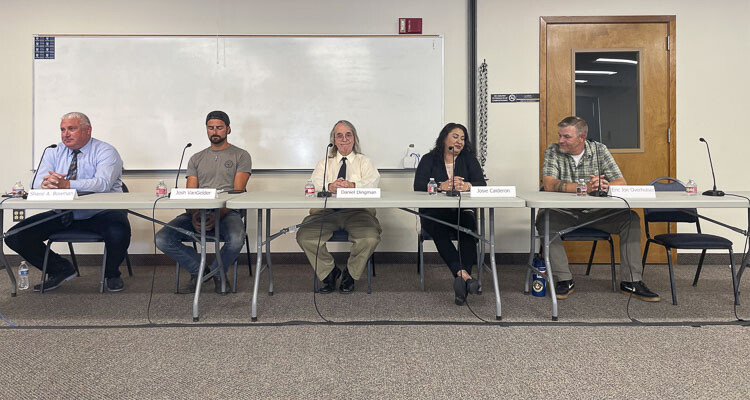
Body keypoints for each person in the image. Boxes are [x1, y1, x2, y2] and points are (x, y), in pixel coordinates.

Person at [5, 112, 131, 292]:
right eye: (63, 129)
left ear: (88, 130)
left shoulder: (106, 151)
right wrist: (46, 183)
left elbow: (103, 183)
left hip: (101, 213)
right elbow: (36, 184)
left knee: (119, 230)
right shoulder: (53, 151)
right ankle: (59, 269)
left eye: (72, 128)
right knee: (15, 236)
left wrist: (66, 184)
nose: (65, 134)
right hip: (65, 213)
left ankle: (111, 274)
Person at [539, 116, 660, 301]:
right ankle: (564, 279)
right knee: (543, 219)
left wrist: (605, 185)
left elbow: (621, 182)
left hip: (597, 213)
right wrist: (584, 187)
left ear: (582, 138)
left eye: (566, 137)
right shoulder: (553, 151)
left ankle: (631, 282)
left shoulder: (599, 150)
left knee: (631, 219)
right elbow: (549, 184)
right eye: (560, 135)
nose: (560, 140)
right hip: (565, 212)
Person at [155, 111, 251, 294]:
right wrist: (195, 215)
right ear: (206, 130)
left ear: (228, 129)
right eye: (211, 127)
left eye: (219, 128)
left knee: (237, 239)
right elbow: (190, 193)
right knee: (162, 238)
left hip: (227, 212)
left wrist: (215, 215)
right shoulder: (195, 158)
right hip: (198, 212)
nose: (215, 131)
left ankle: (217, 272)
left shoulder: (241, 155)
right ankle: (200, 270)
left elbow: (237, 193)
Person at [295, 120, 382, 293]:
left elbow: (373, 183)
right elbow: (314, 183)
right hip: (326, 213)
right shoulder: (325, 162)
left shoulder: (364, 161)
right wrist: (330, 186)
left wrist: (352, 185)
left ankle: (350, 274)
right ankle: (329, 272)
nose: (344, 139)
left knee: (370, 238)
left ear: (354, 138)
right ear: (334, 140)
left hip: (358, 213)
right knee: (304, 236)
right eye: (339, 135)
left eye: (348, 135)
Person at [413, 122, 486, 305]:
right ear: (444, 138)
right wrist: (440, 186)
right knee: (439, 229)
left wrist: (468, 185)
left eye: (463, 138)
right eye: (455, 136)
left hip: (461, 211)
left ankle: (461, 279)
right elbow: (418, 186)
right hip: (434, 212)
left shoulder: (468, 158)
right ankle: (465, 278)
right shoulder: (429, 159)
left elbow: (482, 185)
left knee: (468, 229)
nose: (459, 141)